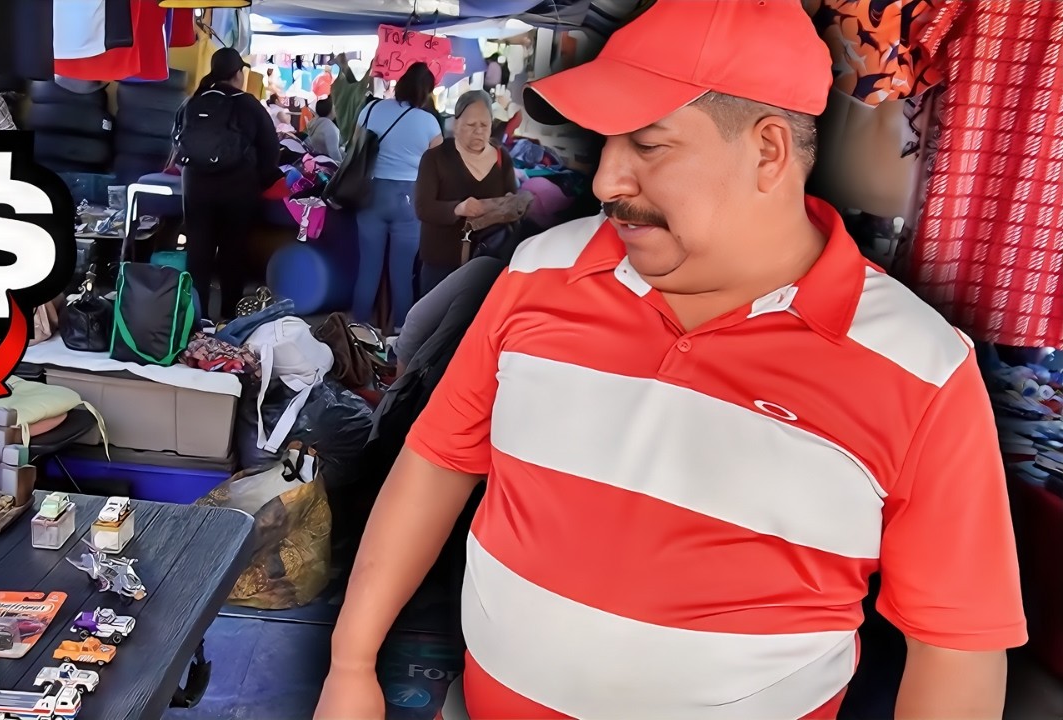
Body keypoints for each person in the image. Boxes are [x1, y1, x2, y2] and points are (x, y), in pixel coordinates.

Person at [314, 1, 1027, 719]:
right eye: (608, 142)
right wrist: (350, 664)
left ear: (769, 153)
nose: (605, 181)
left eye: (649, 145)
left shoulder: (921, 368)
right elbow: (439, 460)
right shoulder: (540, 270)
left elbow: (956, 646)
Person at [176, 47, 281, 320]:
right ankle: (229, 318)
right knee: (233, 253)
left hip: (196, 188)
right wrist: (259, 180)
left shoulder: (191, 102)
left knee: (198, 252)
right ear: (238, 74)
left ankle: (194, 318)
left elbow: (178, 145)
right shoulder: (248, 104)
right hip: (238, 189)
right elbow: (271, 149)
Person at [350, 62, 443, 331]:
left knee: (368, 268)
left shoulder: (371, 108)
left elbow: (356, 147)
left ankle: (358, 331)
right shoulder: (428, 122)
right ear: (426, 91)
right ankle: (400, 335)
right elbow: (436, 165)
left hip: (370, 194)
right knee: (401, 274)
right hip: (409, 199)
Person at [414, 91, 521, 296]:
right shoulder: (435, 158)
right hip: (441, 260)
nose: (479, 132)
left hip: (486, 261)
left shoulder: (501, 158)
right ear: (456, 124)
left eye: (485, 125)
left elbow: (511, 199)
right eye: (471, 125)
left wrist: (509, 205)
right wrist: (457, 208)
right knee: (434, 322)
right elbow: (423, 207)